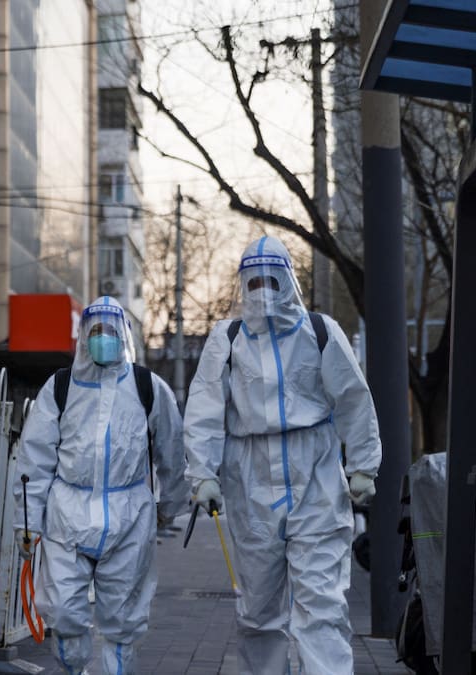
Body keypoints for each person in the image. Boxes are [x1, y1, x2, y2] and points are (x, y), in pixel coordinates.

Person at [184, 236, 382, 674]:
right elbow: (203, 408)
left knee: (322, 605)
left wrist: (363, 465)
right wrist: (202, 474)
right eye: (253, 282)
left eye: (271, 280)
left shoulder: (319, 332)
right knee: (258, 611)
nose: (263, 291)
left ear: (288, 279)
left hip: (315, 476)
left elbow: (353, 398)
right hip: (250, 477)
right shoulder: (227, 339)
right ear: (242, 285)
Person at [13, 296, 187, 675]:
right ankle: (74, 669)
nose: (102, 338)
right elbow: (34, 460)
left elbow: (171, 450)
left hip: (129, 516)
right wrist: (26, 522)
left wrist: (170, 505)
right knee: (62, 610)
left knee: (123, 619)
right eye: (95, 331)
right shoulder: (60, 387)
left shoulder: (147, 387)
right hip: (66, 516)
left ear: (122, 335)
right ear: (82, 337)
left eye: (110, 330)